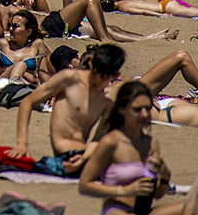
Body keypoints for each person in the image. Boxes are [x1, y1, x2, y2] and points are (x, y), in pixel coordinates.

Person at [13, 43, 127, 173]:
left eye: (104, 77)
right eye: (95, 73)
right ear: (91, 62)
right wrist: (22, 143)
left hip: (84, 155)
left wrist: (84, 158)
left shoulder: (107, 101)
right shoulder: (69, 79)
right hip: (65, 154)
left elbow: (98, 138)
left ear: (115, 76)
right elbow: (28, 102)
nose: (97, 80)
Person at [78, 80, 171, 215]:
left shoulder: (151, 143)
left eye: (147, 108)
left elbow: (157, 194)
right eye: (137, 109)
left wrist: (165, 175)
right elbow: (84, 186)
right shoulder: (111, 142)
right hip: (117, 209)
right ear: (121, 109)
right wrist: (125, 190)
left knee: (192, 206)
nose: (144, 114)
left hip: (143, 210)